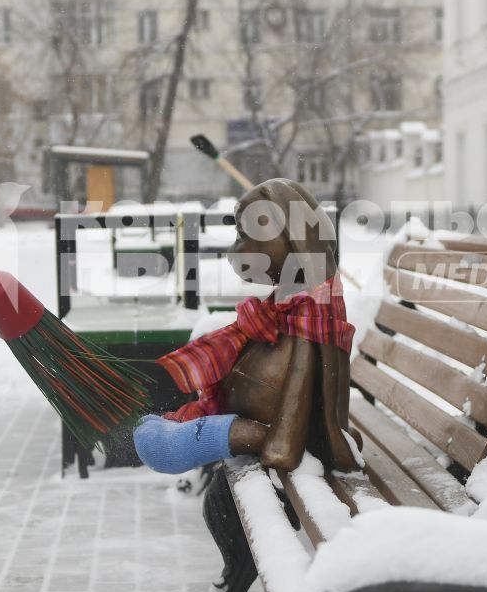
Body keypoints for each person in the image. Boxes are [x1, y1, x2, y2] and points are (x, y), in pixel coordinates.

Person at [131, 179, 360, 474]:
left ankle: (215, 433)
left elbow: (283, 450)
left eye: (244, 234)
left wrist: (256, 437)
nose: (234, 251)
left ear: (289, 236)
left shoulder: (310, 319)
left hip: (268, 430)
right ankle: (206, 428)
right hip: (257, 417)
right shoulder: (288, 306)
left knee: (156, 445)